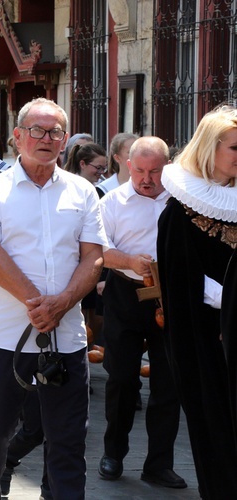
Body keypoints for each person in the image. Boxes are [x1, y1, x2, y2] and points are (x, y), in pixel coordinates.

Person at [0, 98, 106, 499]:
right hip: (9, 334)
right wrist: (38, 303)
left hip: (67, 336)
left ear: (65, 140)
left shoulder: (83, 191)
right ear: (18, 136)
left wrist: (62, 303)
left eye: (55, 132)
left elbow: (93, 255)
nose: (46, 139)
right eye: (38, 131)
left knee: (67, 439)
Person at [157, 104, 237, 499]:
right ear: (211, 148)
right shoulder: (180, 212)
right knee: (216, 429)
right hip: (205, 339)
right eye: (236, 148)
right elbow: (184, 284)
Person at [97, 136, 185, 489]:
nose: (147, 179)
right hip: (126, 292)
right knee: (121, 378)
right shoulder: (113, 201)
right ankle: (113, 454)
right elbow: (101, 249)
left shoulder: (181, 202)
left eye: (155, 171)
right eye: (140, 171)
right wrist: (131, 261)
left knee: (169, 383)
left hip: (172, 297)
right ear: (128, 166)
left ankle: (159, 464)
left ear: (168, 169)